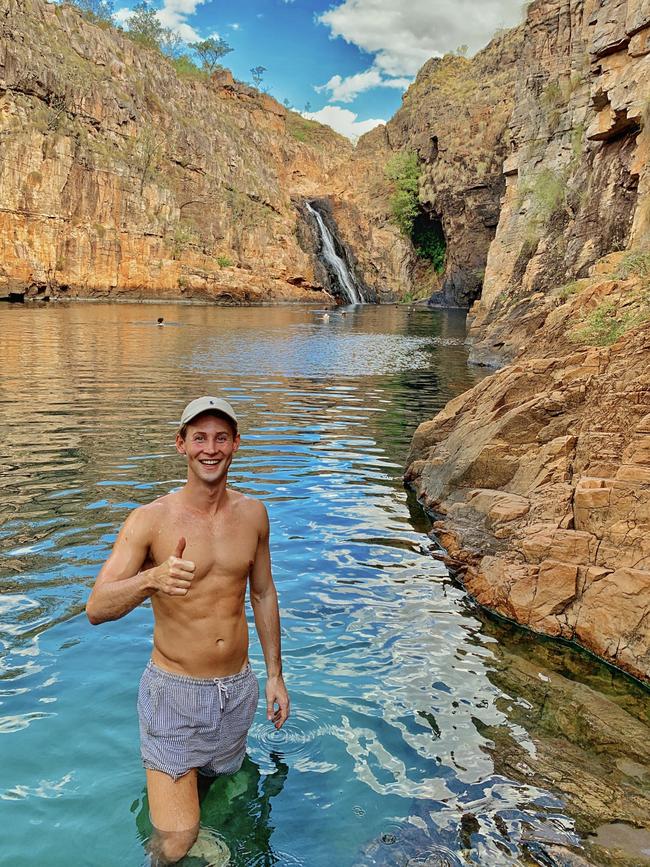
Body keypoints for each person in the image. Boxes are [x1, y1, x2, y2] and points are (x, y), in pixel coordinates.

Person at [86, 396, 290, 864]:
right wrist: (150, 580)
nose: (210, 449)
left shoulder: (254, 515)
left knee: (226, 791)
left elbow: (262, 594)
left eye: (221, 437)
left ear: (236, 444)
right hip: (173, 696)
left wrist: (275, 674)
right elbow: (96, 607)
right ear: (181, 445)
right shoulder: (150, 520)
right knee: (177, 842)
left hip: (237, 692)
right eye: (199, 437)